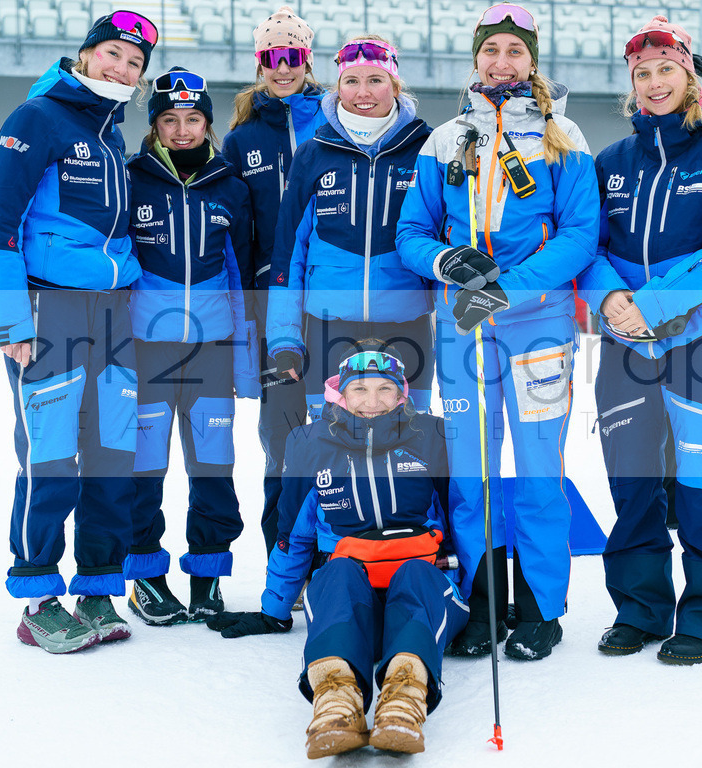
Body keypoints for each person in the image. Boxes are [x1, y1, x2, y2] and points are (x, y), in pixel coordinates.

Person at [396, 2, 598, 661]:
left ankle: (541, 606)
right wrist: (445, 262)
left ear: (532, 60)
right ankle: (484, 601)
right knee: (470, 475)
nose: (502, 62)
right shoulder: (445, 139)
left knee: (538, 470)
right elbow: (411, 233)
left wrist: (510, 286)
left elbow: (579, 235)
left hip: (536, 327)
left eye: (514, 51)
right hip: (463, 327)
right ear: (476, 58)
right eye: (491, 51)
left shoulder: (563, 135)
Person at [578, 15, 702, 665]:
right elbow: (589, 248)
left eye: (666, 70)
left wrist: (648, 307)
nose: (654, 82)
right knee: (631, 478)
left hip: (700, 338)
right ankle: (641, 607)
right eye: (642, 73)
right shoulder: (612, 161)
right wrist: (611, 301)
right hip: (625, 345)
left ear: (689, 73)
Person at [0, 10, 158, 653]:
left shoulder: (110, 135)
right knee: (51, 453)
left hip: (110, 312)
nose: (122, 67)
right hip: (49, 309)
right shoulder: (38, 119)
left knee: (113, 451)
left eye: (135, 63)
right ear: (84, 55)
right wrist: (12, 322)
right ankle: (37, 597)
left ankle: (98, 586)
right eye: (112, 53)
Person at [208, 343, 467, 759]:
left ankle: (404, 701)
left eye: (385, 389)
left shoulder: (432, 435)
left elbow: (463, 522)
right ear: (339, 394)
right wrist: (274, 611)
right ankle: (335, 701)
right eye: (360, 389)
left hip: (421, 582)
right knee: (335, 574)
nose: (372, 401)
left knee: (418, 576)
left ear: (403, 394)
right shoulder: (312, 443)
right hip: (351, 589)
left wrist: (482, 598)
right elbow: (294, 535)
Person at [122, 68, 257, 625]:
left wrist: (246, 366)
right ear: (154, 124)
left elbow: (242, 279)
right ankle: (146, 578)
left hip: (212, 350)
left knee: (213, 468)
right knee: (143, 468)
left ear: (207, 124)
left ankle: (207, 575)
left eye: (193, 119)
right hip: (144, 350)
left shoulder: (231, 186)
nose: (182, 130)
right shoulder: (131, 179)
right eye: (170, 120)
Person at [265, 35, 435, 426]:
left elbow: (443, 236)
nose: (363, 93)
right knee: (332, 444)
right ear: (337, 87)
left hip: (407, 323)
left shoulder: (426, 147)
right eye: (351, 81)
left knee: (407, 444)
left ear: (394, 85)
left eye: (375, 80)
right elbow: (288, 253)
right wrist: (285, 337)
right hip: (329, 326)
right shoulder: (313, 152)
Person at [221, 5, 328, 554]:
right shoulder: (242, 140)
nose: (282, 68)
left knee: (342, 418)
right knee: (282, 432)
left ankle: (342, 552)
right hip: (272, 300)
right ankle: (283, 554)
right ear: (259, 63)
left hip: (332, 294)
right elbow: (235, 227)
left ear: (306, 60)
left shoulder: (335, 122)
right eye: (271, 58)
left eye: (292, 57)